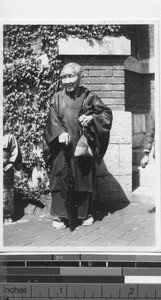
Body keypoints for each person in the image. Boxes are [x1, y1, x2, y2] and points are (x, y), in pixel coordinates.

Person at [43, 62, 112, 230]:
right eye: (64, 77)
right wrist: (60, 132)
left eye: (71, 76)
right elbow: (52, 119)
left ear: (80, 77)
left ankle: (84, 214)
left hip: (82, 147)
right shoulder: (57, 97)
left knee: (83, 178)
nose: (67, 81)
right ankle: (60, 216)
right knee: (59, 179)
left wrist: (93, 118)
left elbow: (106, 114)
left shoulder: (90, 96)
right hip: (61, 147)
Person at [3, 122, 22, 223]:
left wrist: (12, 163)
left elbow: (15, 151)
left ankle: (7, 214)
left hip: (6, 167)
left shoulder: (10, 137)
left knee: (7, 191)